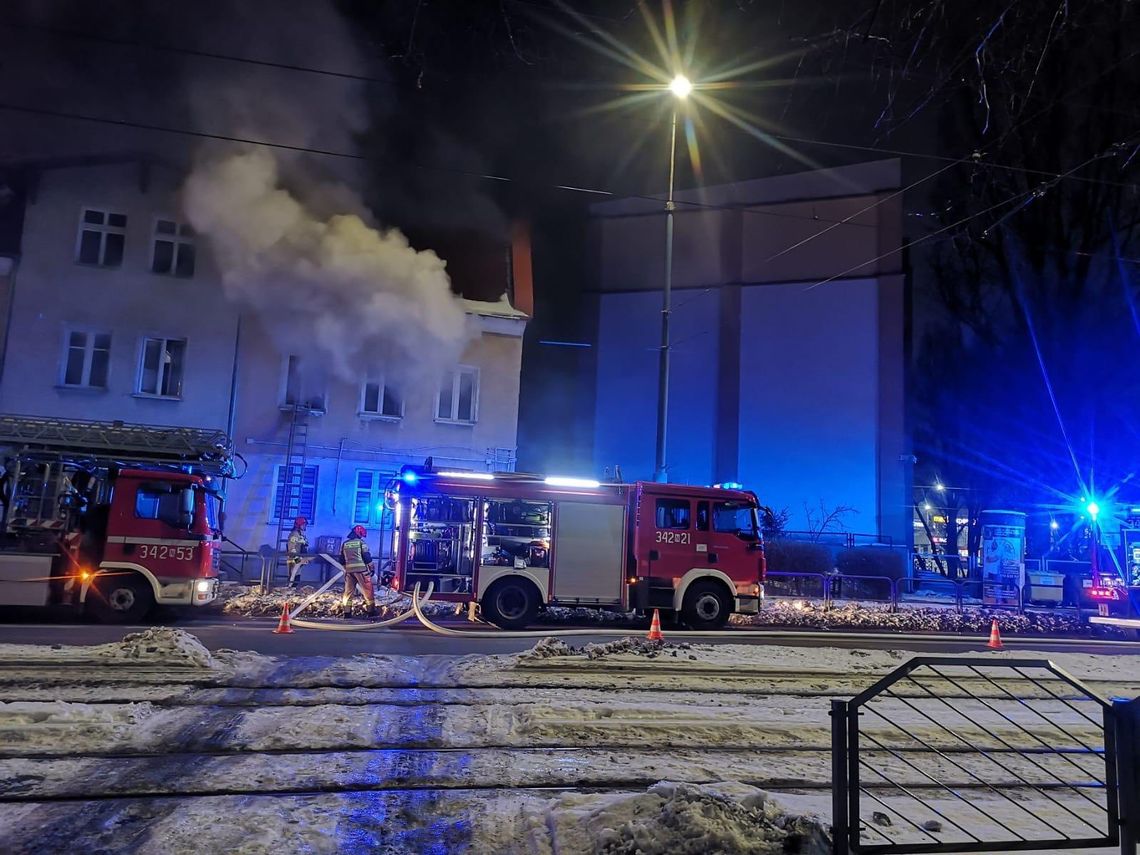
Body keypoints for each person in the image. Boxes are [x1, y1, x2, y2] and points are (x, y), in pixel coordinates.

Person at [341, 524, 377, 617]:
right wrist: (372, 568)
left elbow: (341, 559)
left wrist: (346, 569)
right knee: (368, 590)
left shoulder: (345, 544)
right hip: (361, 571)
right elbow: (366, 556)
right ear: (359, 534)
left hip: (349, 572)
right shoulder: (361, 543)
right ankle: (371, 612)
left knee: (348, 592)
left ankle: (347, 613)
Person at [286, 516, 309, 588]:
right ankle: (289, 593)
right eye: (304, 524)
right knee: (293, 579)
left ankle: (292, 592)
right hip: (294, 560)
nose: (305, 526)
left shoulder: (301, 534)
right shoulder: (294, 534)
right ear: (299, 525)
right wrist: (297, 560)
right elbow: (291, 548)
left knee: (297, 578)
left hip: (299, 559)